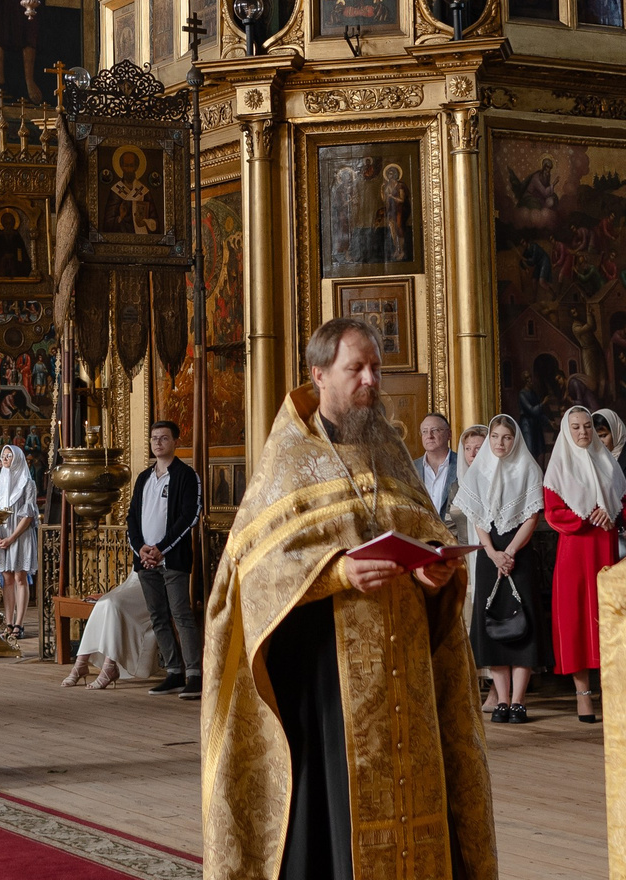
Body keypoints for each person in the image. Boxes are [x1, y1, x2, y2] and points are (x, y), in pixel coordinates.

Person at [202, 318, 493, 880]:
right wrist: (336, 572)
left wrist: (436, 573)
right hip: (327, 678)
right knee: (335, 815)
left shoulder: (389, 448)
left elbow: (423, 530)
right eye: (355, 369)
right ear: (319, 375)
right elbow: (249, 575)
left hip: (406, 669)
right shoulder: (288, 457)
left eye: (376, 368)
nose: (370, 380)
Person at [544, 408, 626, 725]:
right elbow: (554, 513)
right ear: (566, 431)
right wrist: (586, 517)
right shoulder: (559, 466)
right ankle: (583, 697)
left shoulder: (608, 462)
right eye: (576, 427)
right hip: (575, 551)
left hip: (605, 549)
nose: (583, 432)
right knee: (576, 620)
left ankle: (612, 693)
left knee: (607, 618)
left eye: (587, 426)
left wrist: (611, 513)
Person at [458, 414, 546, 725]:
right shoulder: (479, 470)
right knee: (493, 623)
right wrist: (493, 553)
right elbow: (478, 519)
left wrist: (509, 553)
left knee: (523, 624)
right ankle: (502, 699)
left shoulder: (528, 468)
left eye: (506, 438)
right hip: (489, 555)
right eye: (495, 437)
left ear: (515, 439)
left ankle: (519, 701)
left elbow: (532, 517)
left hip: (518, 554)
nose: (500, 443)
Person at [126, 420, 204, 698]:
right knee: (158, 616)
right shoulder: (144, 478)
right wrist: (141, 549)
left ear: (175, 442)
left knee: (181, 614)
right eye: (154, 438)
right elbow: (132, 518)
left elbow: (189, 516)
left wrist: (162, 549)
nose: (158, 443)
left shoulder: (186, 475)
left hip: (173, 560)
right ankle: (174, 671)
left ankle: (194, 674)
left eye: (164, 438)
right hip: (146, 560)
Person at [60, 572, 160, 689]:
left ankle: (109, 666)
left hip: (156, 583)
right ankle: (81, 663)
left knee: (114, 604)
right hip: (135, 578)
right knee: (102, 603)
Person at [0, 445, 40, 639]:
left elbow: (28, 516)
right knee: (7, 579)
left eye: (9, 456)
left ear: (17, 458)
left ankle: (19, 623)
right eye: (3, 456)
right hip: (2, 536)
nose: (5, 459)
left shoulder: (28, 484)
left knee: (20, 578)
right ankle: (8, 622)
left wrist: (12, 538)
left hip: (20, 535)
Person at [416, 413, 463, 538]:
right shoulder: (410, 468)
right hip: (421, 539)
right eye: (424, 431)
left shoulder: (463, 466)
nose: (429, 436)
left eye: (435, 430)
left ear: (449, 434)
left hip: (454, 541)